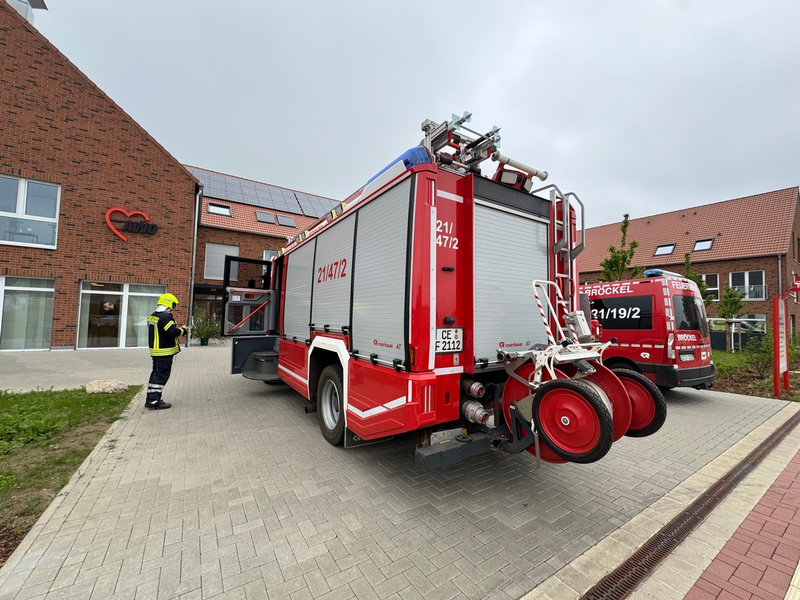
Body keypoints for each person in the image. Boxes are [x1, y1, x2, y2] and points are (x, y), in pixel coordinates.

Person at [145, 293, 188, 410]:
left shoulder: (153, 316)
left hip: (156, 351)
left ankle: (150, 399)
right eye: (173, 305)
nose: (173, 308)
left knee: (156, 374)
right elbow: (172, 332)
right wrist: (183, 330)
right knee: (161, 375)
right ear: (170, 304)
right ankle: (154, 401)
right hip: (164, 351)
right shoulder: (165, 317)